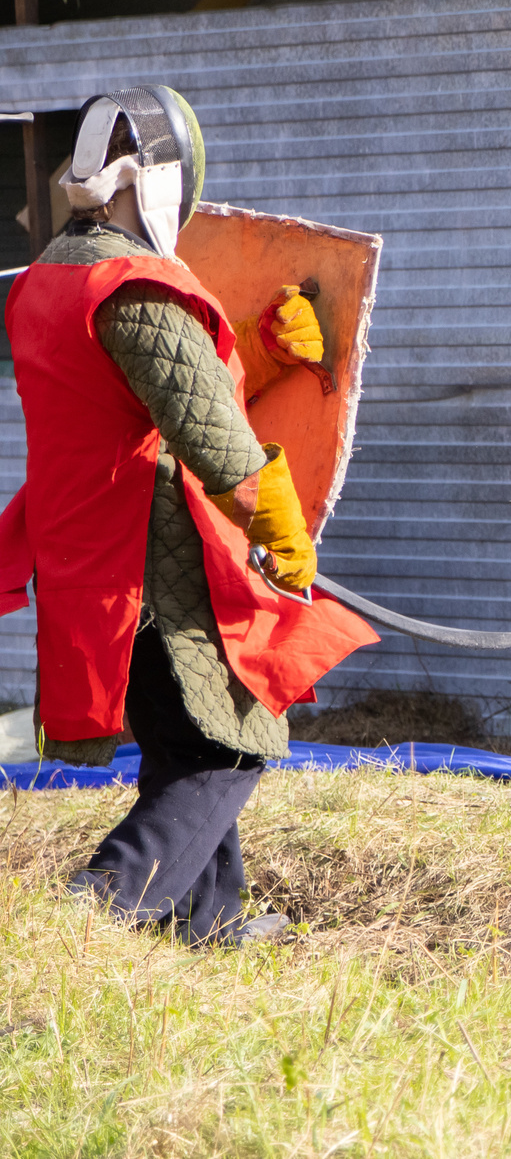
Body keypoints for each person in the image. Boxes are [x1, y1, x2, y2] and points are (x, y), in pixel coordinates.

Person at [0, 88, 375, 943]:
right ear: (152, 182)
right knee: (230, 744)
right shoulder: (134, 287)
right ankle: (96, 910)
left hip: (88, 556)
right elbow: (212, 436)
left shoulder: (50, 279)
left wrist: (261, 345)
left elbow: (145, 385)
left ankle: (211, 922)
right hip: (152, 572)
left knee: (181, 741)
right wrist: (281, 529)